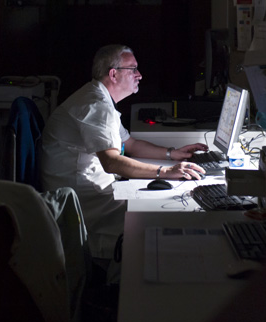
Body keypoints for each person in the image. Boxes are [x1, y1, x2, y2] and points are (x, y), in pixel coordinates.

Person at [39, 44, 209, 262]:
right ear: (114, 73)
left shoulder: (100, 99)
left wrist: (172, 153)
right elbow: (111, 162)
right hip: (83, 204)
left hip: (85, 191)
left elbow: (130, 143)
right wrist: (166, 172)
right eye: (133, 69)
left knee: (164, 204)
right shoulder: (96, 105)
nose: (139, 75)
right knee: (159, 217)